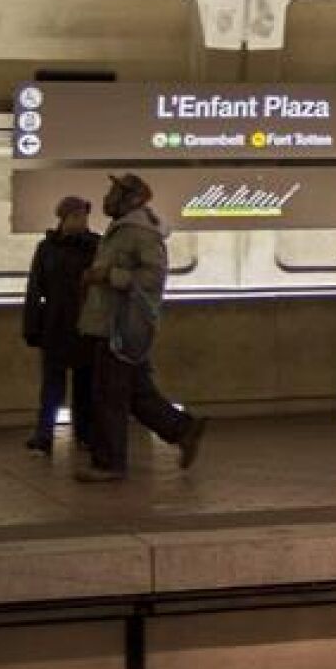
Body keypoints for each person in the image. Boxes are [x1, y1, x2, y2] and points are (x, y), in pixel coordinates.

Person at [75, 173, 207, 482]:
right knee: (136, 394)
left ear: (129, 197)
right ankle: (183, 429)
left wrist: (108, 275)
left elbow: (152, 277)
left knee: (109, 395)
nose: (106, 198)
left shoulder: (139, 232)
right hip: (114, 324)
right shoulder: (123, 229)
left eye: (113, 191)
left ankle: (109, 463)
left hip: (121, 327)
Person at [22, 196, 100, 455]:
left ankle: (86, 434)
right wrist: (32, 325)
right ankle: (44, 435)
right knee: (52, 385)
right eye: (76, 216)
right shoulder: (46, 248)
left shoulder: (95, 245)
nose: (81, 221)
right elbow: (35, 288)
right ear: (63, 218)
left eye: (84, 216)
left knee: (85, 383)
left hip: (85, 322)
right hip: (55, 323)